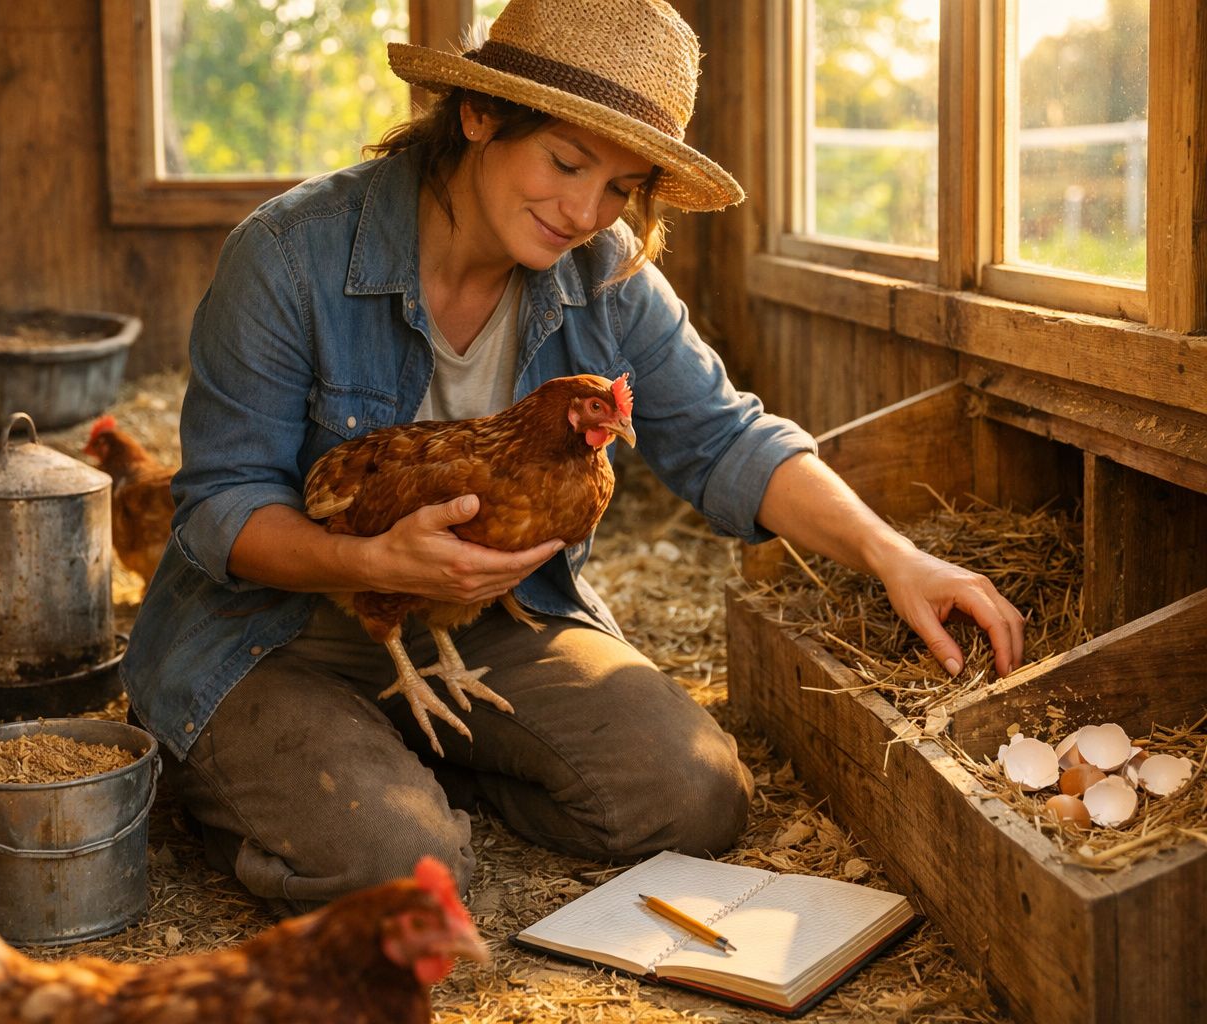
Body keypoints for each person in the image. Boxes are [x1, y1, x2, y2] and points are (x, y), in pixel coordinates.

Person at [121, 0, 1025, 914]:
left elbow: (724, 436)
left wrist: (894, 556)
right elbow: (222, 506)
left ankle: (407, 767)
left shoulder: (604, 270)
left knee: (692, 793)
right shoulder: (289, 256)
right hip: (279, 633)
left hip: (478, 621)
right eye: (564, 162)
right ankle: (273, 775)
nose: (586, 212)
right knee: (400, 875)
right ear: (479, 115)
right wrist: (372, 562)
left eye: (621, 187)